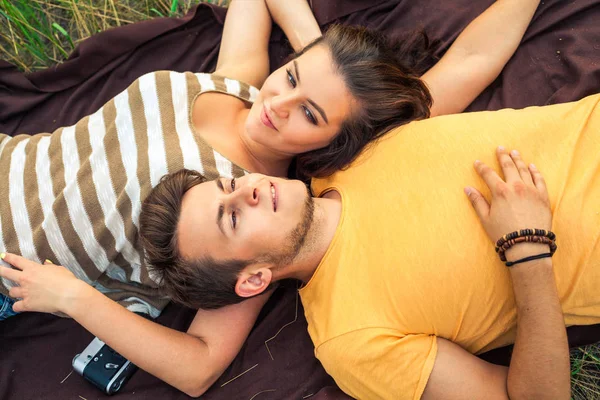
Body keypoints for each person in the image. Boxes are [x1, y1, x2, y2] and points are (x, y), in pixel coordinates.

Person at [0, 0, 541, 396]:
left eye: (310, 114)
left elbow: (200, 366)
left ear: (339, 143)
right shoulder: (239, 82)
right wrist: (319, 49)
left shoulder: (254, 213)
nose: (279, 104)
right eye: (293, 77)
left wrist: (75, 299)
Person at [135, 92, 598, 399]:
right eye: (233, 217)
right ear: (254, 278)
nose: (248, 189)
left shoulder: (342, 150)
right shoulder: (351, 341)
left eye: (230, 183)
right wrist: (527, 249)